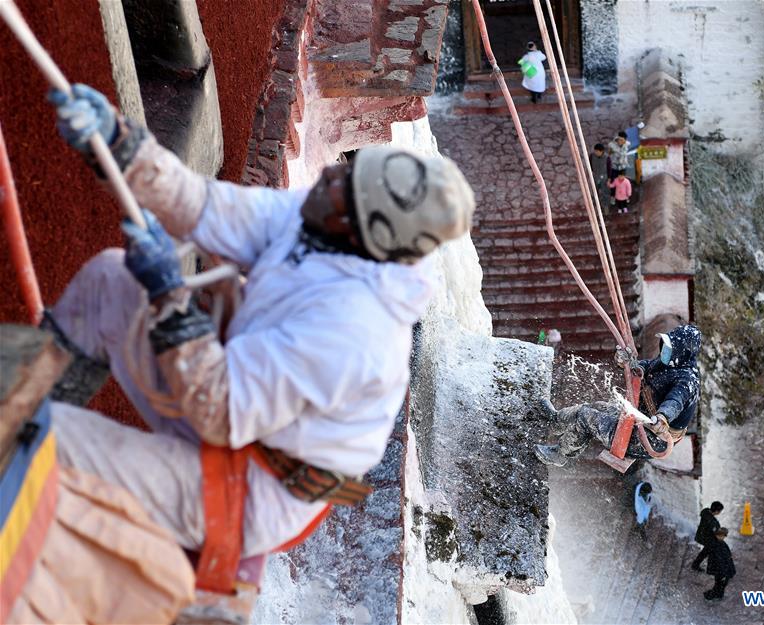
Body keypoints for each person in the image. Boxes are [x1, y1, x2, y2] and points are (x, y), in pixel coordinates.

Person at [42, 84, 475, 562]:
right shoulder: (323, 221)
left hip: (246, 488)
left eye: (343, 186)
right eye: (346, 171)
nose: (329, 173)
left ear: (364, 232)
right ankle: (31, 388)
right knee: (111, 278)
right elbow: (205, 207)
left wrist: (169, 295)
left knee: (45, 437)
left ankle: (23, 435)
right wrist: (119, 146)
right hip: (237, 416)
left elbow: (220, 408)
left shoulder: (355, 332)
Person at [534, 324, 702, 466]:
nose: (665, 349)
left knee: (587, 417)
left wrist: (663, 417)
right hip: (639, 420)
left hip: (649, 439)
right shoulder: (670, 363)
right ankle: (556, 421)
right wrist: (627, 363)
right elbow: (645, 367)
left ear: (683, 351)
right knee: (594, 407)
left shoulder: (687, 381)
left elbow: (675, 401)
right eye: (666, 344)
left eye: (670, 347)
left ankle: (561, 454)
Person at [691, 501, 724, 571]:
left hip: (701, 535)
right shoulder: (712, 522)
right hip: (706, 538)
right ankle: (710, 566)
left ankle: (696, 564)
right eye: (720, 511)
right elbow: (716, 532)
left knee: (706, 551)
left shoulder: (706, 512)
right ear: (716, 511)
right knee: (711, 550)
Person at [704, 528, 736, 601]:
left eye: (723, 535)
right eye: (720, 535)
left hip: (723, 568)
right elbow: (718, 559)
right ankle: (713, 596)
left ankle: (716, 595)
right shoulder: (716, 544)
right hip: (720, 569)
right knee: (720, 583)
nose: (722, 537)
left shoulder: (721, 543)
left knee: (721, 583)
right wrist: (723, 572)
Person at [590, 142, 611, 212]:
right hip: (595, 176)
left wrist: (609, 179)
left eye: (597, 151)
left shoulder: (607, 158)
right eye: (595, 151)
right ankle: (594, 206)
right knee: (594, 191)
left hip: (604, 177)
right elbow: (590, 165)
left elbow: (609, 169)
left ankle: (606, 206)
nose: (595, 152)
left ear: (601, 151)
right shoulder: (592, 156)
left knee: (605, 192)